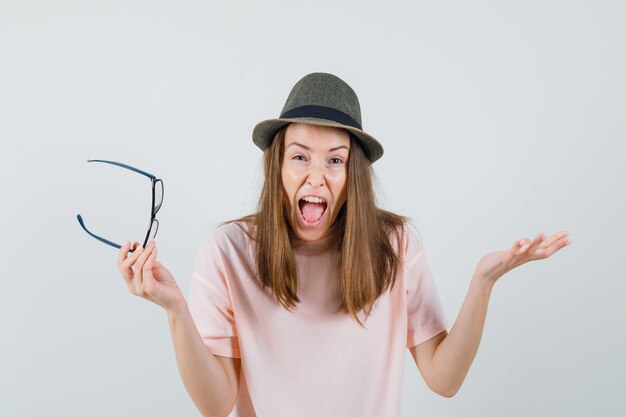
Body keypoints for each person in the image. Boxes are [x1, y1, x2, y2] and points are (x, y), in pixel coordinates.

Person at [116, 73, 570, 417]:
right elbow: (217, 404)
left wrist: (483, 282)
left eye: (335, 160)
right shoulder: (228, 251)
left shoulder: (395, 245)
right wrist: (176, 311)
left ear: (354, 176)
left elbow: (444, 379)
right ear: (277, 165)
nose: (316, 176)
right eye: (300, 157)